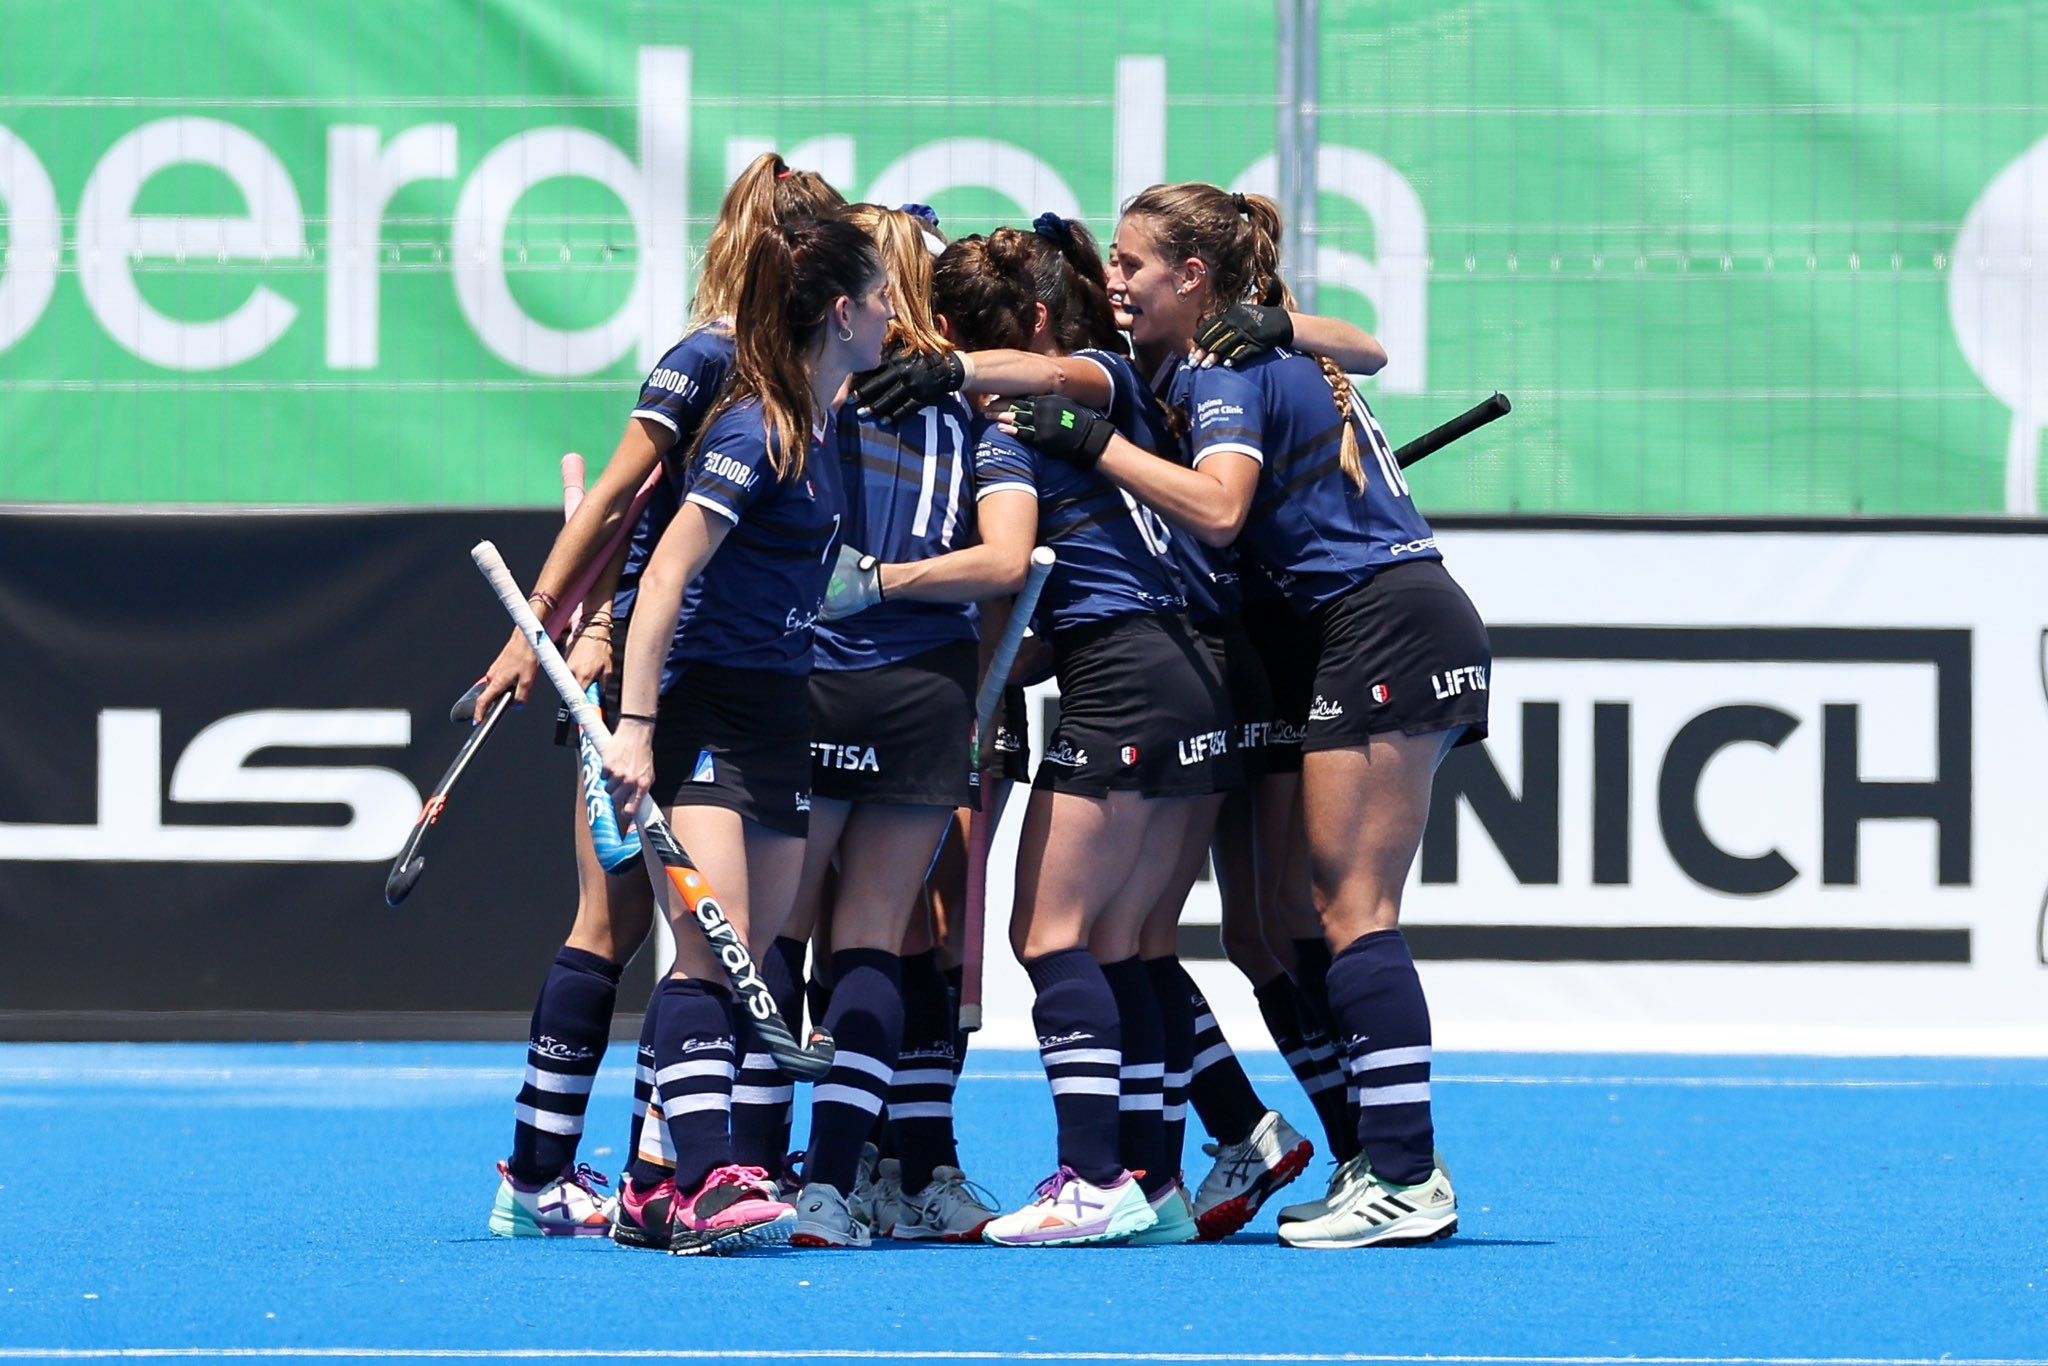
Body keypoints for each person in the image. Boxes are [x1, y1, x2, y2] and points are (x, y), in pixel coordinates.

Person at [1014, 182, 1489, 1249]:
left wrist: (1088, 443)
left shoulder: (1227, 362)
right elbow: (1351, 350)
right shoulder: (1217, 355)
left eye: (1133, 263)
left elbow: (1223, 507)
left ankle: (1404, 1171)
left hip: (1378, 623)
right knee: (1282, 922)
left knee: (1351, 910)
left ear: (1193, 276)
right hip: (1329, 633)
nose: (1115, 281)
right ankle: (1374, 1156)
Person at [473, 153, 844, 1239]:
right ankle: (542, 1171)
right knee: (625, 923)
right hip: (662, 678)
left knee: (701, 938)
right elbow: (619, 502)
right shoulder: (708, 360)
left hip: (721, 677)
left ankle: (646, 1178)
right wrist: (547, 622)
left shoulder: (812, 378)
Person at [854, 226, 1236, 1246]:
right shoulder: (1121, 381)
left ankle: (1094, 1178)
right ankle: (1150, 1184)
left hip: (1120, 675)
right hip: (1192, 667)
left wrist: (879, 584)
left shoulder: (1009, 434)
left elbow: (1007, 563)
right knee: (1122, 940)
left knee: (1048, 934)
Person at [598, 215, 894, 1254]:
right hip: (704, 705)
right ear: (843, 313)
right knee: (708, 948)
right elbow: (664, 579)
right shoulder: (753, 430)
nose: (895, 314)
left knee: (749, 955)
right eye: (883, 298)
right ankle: (707, 1180)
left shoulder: (822, 419)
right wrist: (637, 728)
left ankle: (647, 1184)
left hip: (777, 703)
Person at [754, 203, 998, 1248]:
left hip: (814, 677)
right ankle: (831, 1188)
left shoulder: (814, 386)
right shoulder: (978, 403)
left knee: (775, 930)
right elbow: (1006, 560)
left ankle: (753, 1168)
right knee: (879, 938)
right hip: (926, 689)